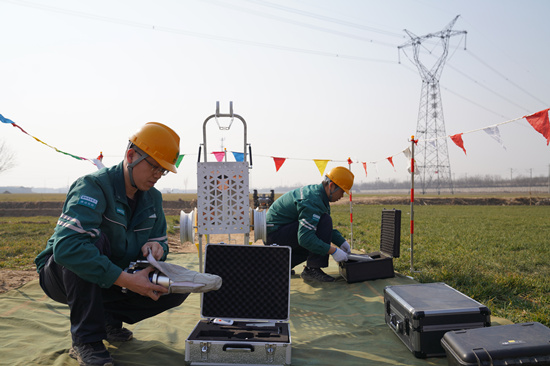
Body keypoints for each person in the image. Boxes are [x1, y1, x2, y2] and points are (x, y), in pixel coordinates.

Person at [35, 122, 188, 366]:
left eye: (164, 170)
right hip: (60, 275)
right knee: (89, 244)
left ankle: (107, 321)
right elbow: (68, 248)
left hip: (111, 278)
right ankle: (86, 339)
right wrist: (127, 280)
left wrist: (158, 249)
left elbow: (160, 241)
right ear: (131, 156)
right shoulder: (93, 186)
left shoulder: (153, 198)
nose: (158, 175)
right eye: (154, 166)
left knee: (178, 286)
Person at [265, 166, 354, 283]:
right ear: (331, 186)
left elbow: (324, 230)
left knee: (318, 231)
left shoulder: (319, 196)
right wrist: (333, 251)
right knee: (319, 228)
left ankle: (279, 267)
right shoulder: (312, 201)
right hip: (275, 235)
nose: (342, 196)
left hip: (279, 233)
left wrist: (341, 242)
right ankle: (312, 269)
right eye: (342, 191)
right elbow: (305, 239)